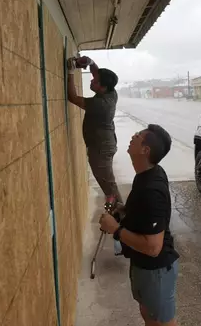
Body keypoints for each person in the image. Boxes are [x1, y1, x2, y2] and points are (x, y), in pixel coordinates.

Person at [99, 124, 180, 326]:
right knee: (147, 314)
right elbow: (143, 212)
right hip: (143, 267)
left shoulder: (152, 189)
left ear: (146, 150)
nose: (133, 136)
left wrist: (115, 229)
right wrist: (123, 210)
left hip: (156, 271)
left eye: (138, 136)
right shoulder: (145, 174)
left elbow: (153, 248)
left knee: (161, 322)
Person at [66, 55, 123, 255]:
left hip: (101, 149)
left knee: (111, 191)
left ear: (103, 88)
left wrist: (71, 70)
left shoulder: (100, 105)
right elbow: (97, 74)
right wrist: (90, 64)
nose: (91, 80)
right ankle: (121, 226)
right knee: (111, 188)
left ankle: (122, 232)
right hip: (105, 145)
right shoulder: (111, 93)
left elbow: (72, 97)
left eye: (95, 82)